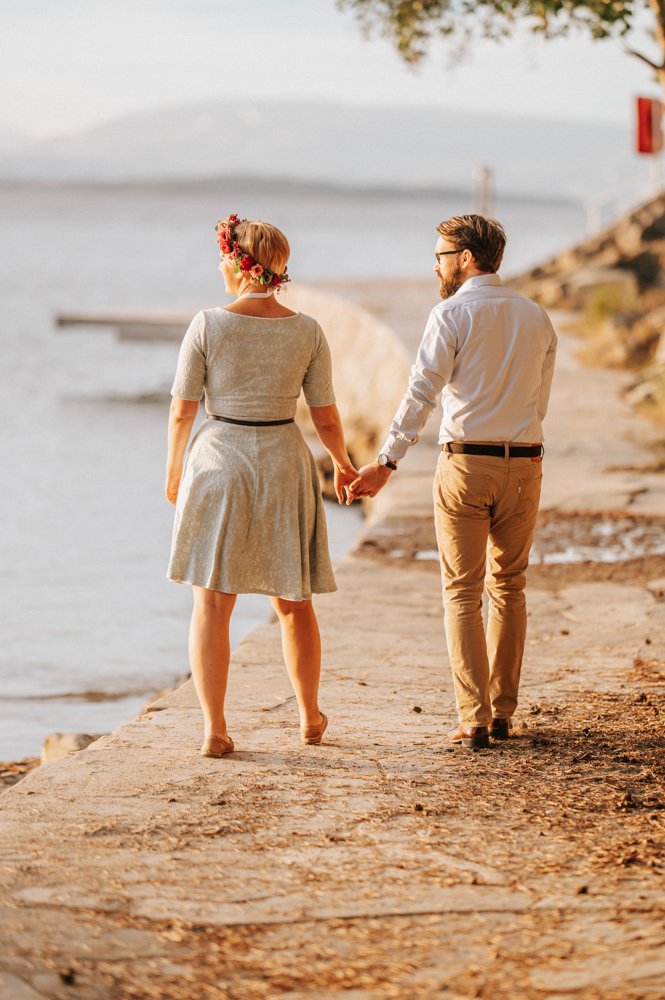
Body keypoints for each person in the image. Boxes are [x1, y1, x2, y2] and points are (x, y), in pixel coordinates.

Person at [348, 215, 557, 750]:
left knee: (462, 592)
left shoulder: (450, 314)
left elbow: (421, 394)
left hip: (466, 464)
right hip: (524, 464)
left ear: (466, 257)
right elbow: (540, 402)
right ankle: (504, 711)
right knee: (509, 586)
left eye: (442, 253)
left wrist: (386, 462)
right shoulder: (536, 317)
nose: (436, 263)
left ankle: (475, 716)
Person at [165, 213, 356, 758]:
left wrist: (174, 468)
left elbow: (182, 411)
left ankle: (215, 728)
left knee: (213, 602)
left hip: (219, 459)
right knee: (293, 602)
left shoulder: (207, 324)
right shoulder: (307, 330)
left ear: (235, 262)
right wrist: (342, 464)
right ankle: (309, 716)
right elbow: (327, 418)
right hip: (282, 460)